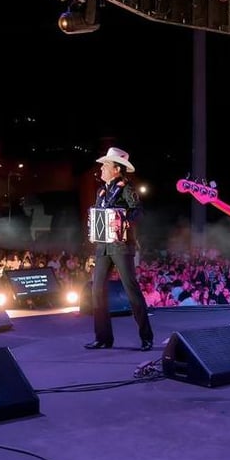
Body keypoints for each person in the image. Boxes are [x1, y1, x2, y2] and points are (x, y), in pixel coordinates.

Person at [84, 147, 154, 351]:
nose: (102, 168)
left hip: (121, 246)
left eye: (105, 165)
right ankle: (103, 338)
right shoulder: (102, 191)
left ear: (116, 169)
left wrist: (122, 220)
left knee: (131, 290)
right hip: (103, 246)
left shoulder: (126, 188)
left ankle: (146, 337)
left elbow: (138, 212)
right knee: (97, 290)